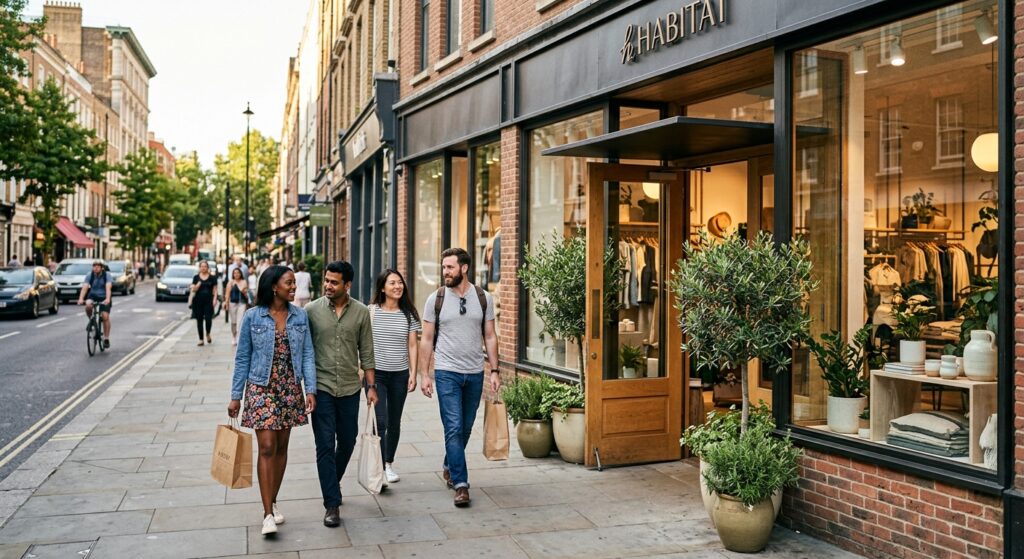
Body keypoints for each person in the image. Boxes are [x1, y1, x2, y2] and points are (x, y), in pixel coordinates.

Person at [228, 265, 316, 536]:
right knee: (266, 446)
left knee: (280, 448)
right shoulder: (254, 317)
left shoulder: (300, 316)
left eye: (294, 283)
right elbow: (243, 356)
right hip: (260, 387)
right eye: (289, 283)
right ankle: (267, 513)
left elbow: (308, 354)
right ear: (273, 286)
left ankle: (273, 499)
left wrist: (310, 389)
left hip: (289, 387)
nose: (294, 287)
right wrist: (236, 396)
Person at [418, 247, 500, 508]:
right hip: (446, 373)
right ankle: (461, 484)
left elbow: (490, 336)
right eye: (443, 267)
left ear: (464, 268)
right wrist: (424, 374)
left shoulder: (483, 297)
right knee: (452, 427)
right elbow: (427, 339)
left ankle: (449, 463)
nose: (445, 272)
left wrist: (495, 371)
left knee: (464, 428)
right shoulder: (436, 299)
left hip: (475, 373)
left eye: (450, 267)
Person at [305, 260, 376, 528]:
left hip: (348, 387)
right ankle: (331, 503)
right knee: (324, 445)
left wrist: (371, 386)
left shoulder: (360, 312)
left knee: (347, 441)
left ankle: (331, 484)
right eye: (326, 280)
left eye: (334, 282)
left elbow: (367, 351)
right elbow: (303, 351)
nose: (328, 285)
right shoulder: (311, 311)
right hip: (321, 388)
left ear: (348, 285)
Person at [368, 268, 421, 485]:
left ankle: (388, 463)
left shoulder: (408, 314)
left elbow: (412, 345)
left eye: (400, 282)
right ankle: (377, 467)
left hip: (399, 374)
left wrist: (413, 373)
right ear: (382, 288)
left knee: (394, 421)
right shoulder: (370, 311)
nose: (398, 286)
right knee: (379, 421)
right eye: (392, 283)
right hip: (376, 375)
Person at [77, 260, 113, 348]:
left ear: (102, 268)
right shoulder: (90, 275)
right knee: (88, 306)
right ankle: (92, 320)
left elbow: (108, 288)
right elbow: (85, 288)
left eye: (97, 266)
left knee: (105, 316)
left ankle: (106, 338)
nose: (95, 268)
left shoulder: (107, 275)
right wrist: (81, 299)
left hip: (104, 297)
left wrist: (108, 299)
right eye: (94, 266)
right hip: (92, 296)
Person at [191, 260, 218, 346]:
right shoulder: (196, 277)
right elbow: (193, 290)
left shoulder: (212, 278)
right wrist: (197, 286)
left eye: (205, 266)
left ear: (207, 268)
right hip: (198, 302)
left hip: (209, 301)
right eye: (202, 266)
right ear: (199, 268)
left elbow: (215, 290)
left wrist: (215, 299)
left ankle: (208, 333)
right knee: (199, 320)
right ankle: (201, 339)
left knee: (208, 319)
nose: (203, 268)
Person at [225, 267, 250, 345]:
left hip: (241, 303)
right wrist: (226, 303)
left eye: (238, 273)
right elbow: (227, 294)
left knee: (240, 321)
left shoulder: (244, 282)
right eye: (235, 273)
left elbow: (246, 295)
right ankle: (234, 336)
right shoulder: (231, 282)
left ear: (240, 274)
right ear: (233, 274)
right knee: (233, 322)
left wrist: (244, 292)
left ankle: (239, 337)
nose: (236, 274)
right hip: (232, 303)